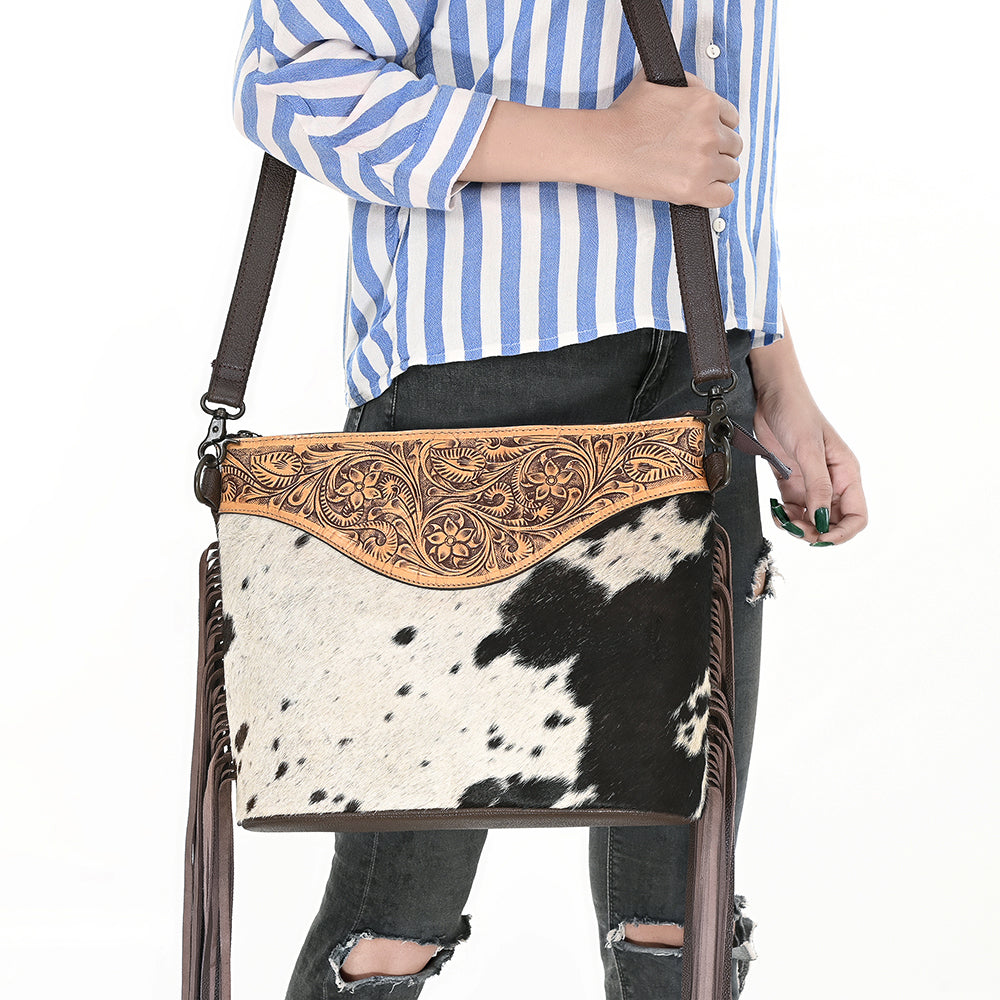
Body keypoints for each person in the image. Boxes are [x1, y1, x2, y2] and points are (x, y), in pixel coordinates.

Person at [229, 1, 868, 997]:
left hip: (700, 384)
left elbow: (704, 141)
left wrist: (775, 373)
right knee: (391, 927)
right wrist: (603, 146)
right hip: (479, 390)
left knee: (681, 917)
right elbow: (283, 77)